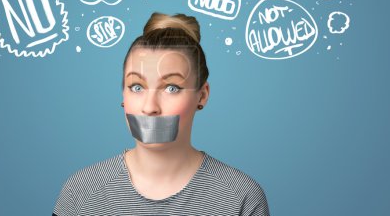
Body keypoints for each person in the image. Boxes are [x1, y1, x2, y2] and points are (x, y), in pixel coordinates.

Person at [52, 12, 270, 216]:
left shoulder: (241, 197)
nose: (150, 107)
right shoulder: (79, 193)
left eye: (172, 88)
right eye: (137, 87)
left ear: (202, 95)